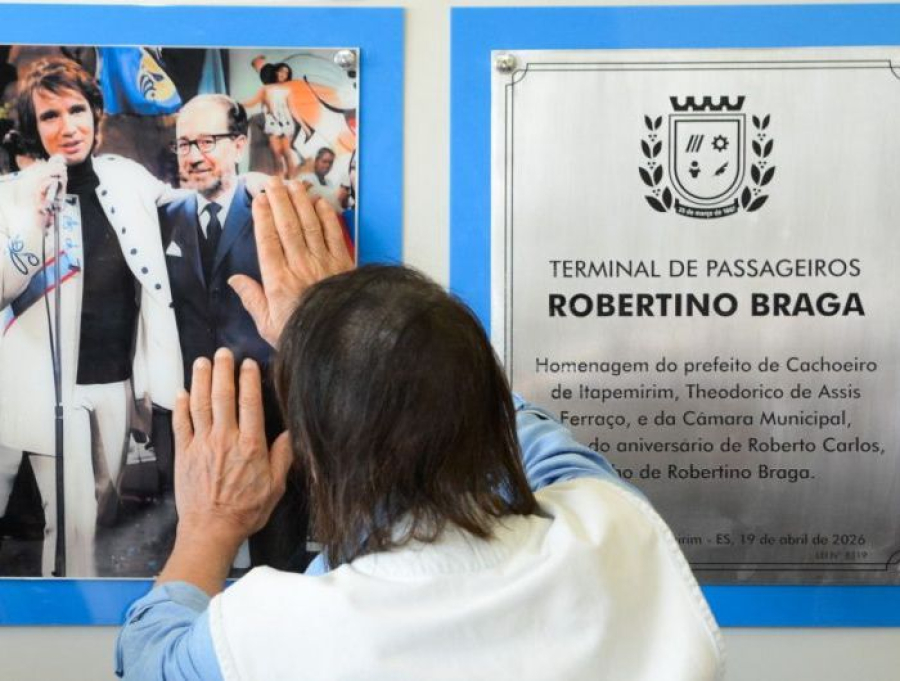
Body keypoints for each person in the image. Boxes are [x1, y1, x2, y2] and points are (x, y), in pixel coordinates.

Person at [115, 178, 723, 680]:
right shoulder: (612, 537)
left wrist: (210, 525)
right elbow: (551, 454)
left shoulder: (284, 631)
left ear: (319, 457)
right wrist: (343, 340)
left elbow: (151, 661)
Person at [0, 57, 185, 576]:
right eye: (50, 116)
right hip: (51, 389)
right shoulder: (11, 194)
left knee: (103, 504)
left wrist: (245, 186)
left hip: (117, 381)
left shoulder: (128, 179)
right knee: (73, 523)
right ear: (33, 129)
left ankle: (77, 603)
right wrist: (33, 224)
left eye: (76, 110)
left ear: (95, 113)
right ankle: (66, 622)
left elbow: (186, 212)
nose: (68, 127)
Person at [159, 93, 308, 569]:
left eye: (207, 141)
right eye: (185, 145)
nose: (195, 156)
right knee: (191, 544)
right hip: (191, 405)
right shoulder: (166, 216)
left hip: (270, 400)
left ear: (239, 144)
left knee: (277, 546)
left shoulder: (273, 208)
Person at [242, 62, 310, 179]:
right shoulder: (265, 89)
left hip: (286, 122)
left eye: (286, 73)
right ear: (275, 72)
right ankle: (281, 181)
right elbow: (253, 102)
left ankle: (292, 181)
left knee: (287, 154)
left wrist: (305, 127)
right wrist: (237, 103)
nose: (284, 74)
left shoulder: (288, 90)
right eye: (281, 71)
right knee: (277, 155)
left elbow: (292, 109)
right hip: (272, 122)